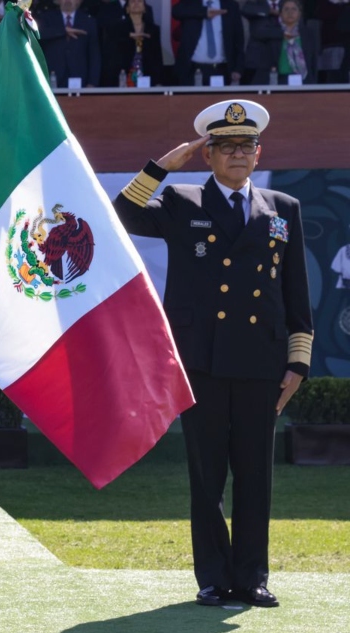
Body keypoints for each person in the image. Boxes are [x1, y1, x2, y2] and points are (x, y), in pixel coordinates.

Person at [112, 99, 312, 609]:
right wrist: (163, 165)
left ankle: (252, 577)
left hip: (262, 362)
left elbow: (295, 291)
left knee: (255, 474)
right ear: (208, 155)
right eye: (226, 146)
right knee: (207, 476)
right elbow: (123, 213)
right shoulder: (182, 201)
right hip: (200, 360)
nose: (238, 154)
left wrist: (298, 362)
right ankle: (213, 577)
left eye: (247, 146)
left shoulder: (283, 207)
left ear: (259, 152)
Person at [245, 0, 319, 85]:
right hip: (279, 81)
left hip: (304, 81)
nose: (290, 12)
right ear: (280, 14)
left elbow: (313, 61)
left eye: (294, 9)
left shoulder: (308, 34)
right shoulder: (272, 33)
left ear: (300, 14)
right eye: (286, 9)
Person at [172, 0, 243, 86]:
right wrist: (204, 12)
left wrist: (238, 68)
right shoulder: (191, 3)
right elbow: (176, 11)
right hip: (192, 69)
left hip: (221, 69)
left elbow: (239, 39)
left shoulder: (230, 5)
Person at [37, 0, 100, 87]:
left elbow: (94, 55)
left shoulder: (88, 21)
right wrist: (63, 31)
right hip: (52, 77)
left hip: (80, 78)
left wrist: (92, 83)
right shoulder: (46, 18)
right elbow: (39, 34)